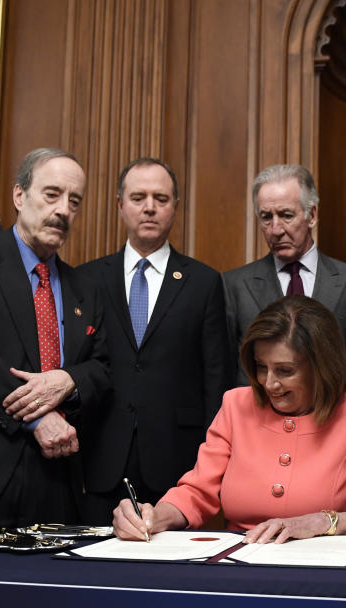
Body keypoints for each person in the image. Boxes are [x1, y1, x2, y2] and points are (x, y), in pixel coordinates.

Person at [113, 295, 346, 542]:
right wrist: (153, 517)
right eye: (261, 367)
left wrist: (323, 521)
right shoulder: (235, 404)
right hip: (239, 564)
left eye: (285, 371)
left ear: (322, 368)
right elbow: (197, 491)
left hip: (320, 566)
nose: (269, 383)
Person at [0, 148, 111, 534]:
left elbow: (103, 367)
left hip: (61, 478)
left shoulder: (86, 289)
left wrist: (70, 380)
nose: (63, 210)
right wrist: (37, 417)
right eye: (52, 194)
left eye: (74, 201)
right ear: (18, 196)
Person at [77, 157, 232, 524]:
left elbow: (216, 378)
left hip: (177, 462)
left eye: (161, 199)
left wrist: (211, 465)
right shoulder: (87, 280)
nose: (149, 207)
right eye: (138, 197)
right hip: (100, 458)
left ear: (176, 207)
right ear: (120, 205)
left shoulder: (204, 283)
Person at [224, 164, 346, 385]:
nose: (276, 230)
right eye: (266, 217)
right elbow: (225, 369)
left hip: (330, 415)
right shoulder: (234, 284)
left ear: (311, 215)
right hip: (260, 414)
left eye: (286, 215)